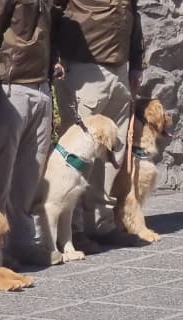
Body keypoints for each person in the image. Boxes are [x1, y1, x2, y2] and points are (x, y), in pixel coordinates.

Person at [51, 0, 142, 243]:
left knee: (113, 150)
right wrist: (55, 56)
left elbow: (133, 14)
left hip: (119, 68)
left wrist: (136, 63)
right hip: (83, 66)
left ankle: (100, 223)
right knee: (78, 151)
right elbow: (53, 10)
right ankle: (73, 228)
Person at [0, 0, 55, 264]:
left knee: (30, 172)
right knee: (0, 170)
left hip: (40, 87)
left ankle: (21, 242)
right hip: (9, 87)